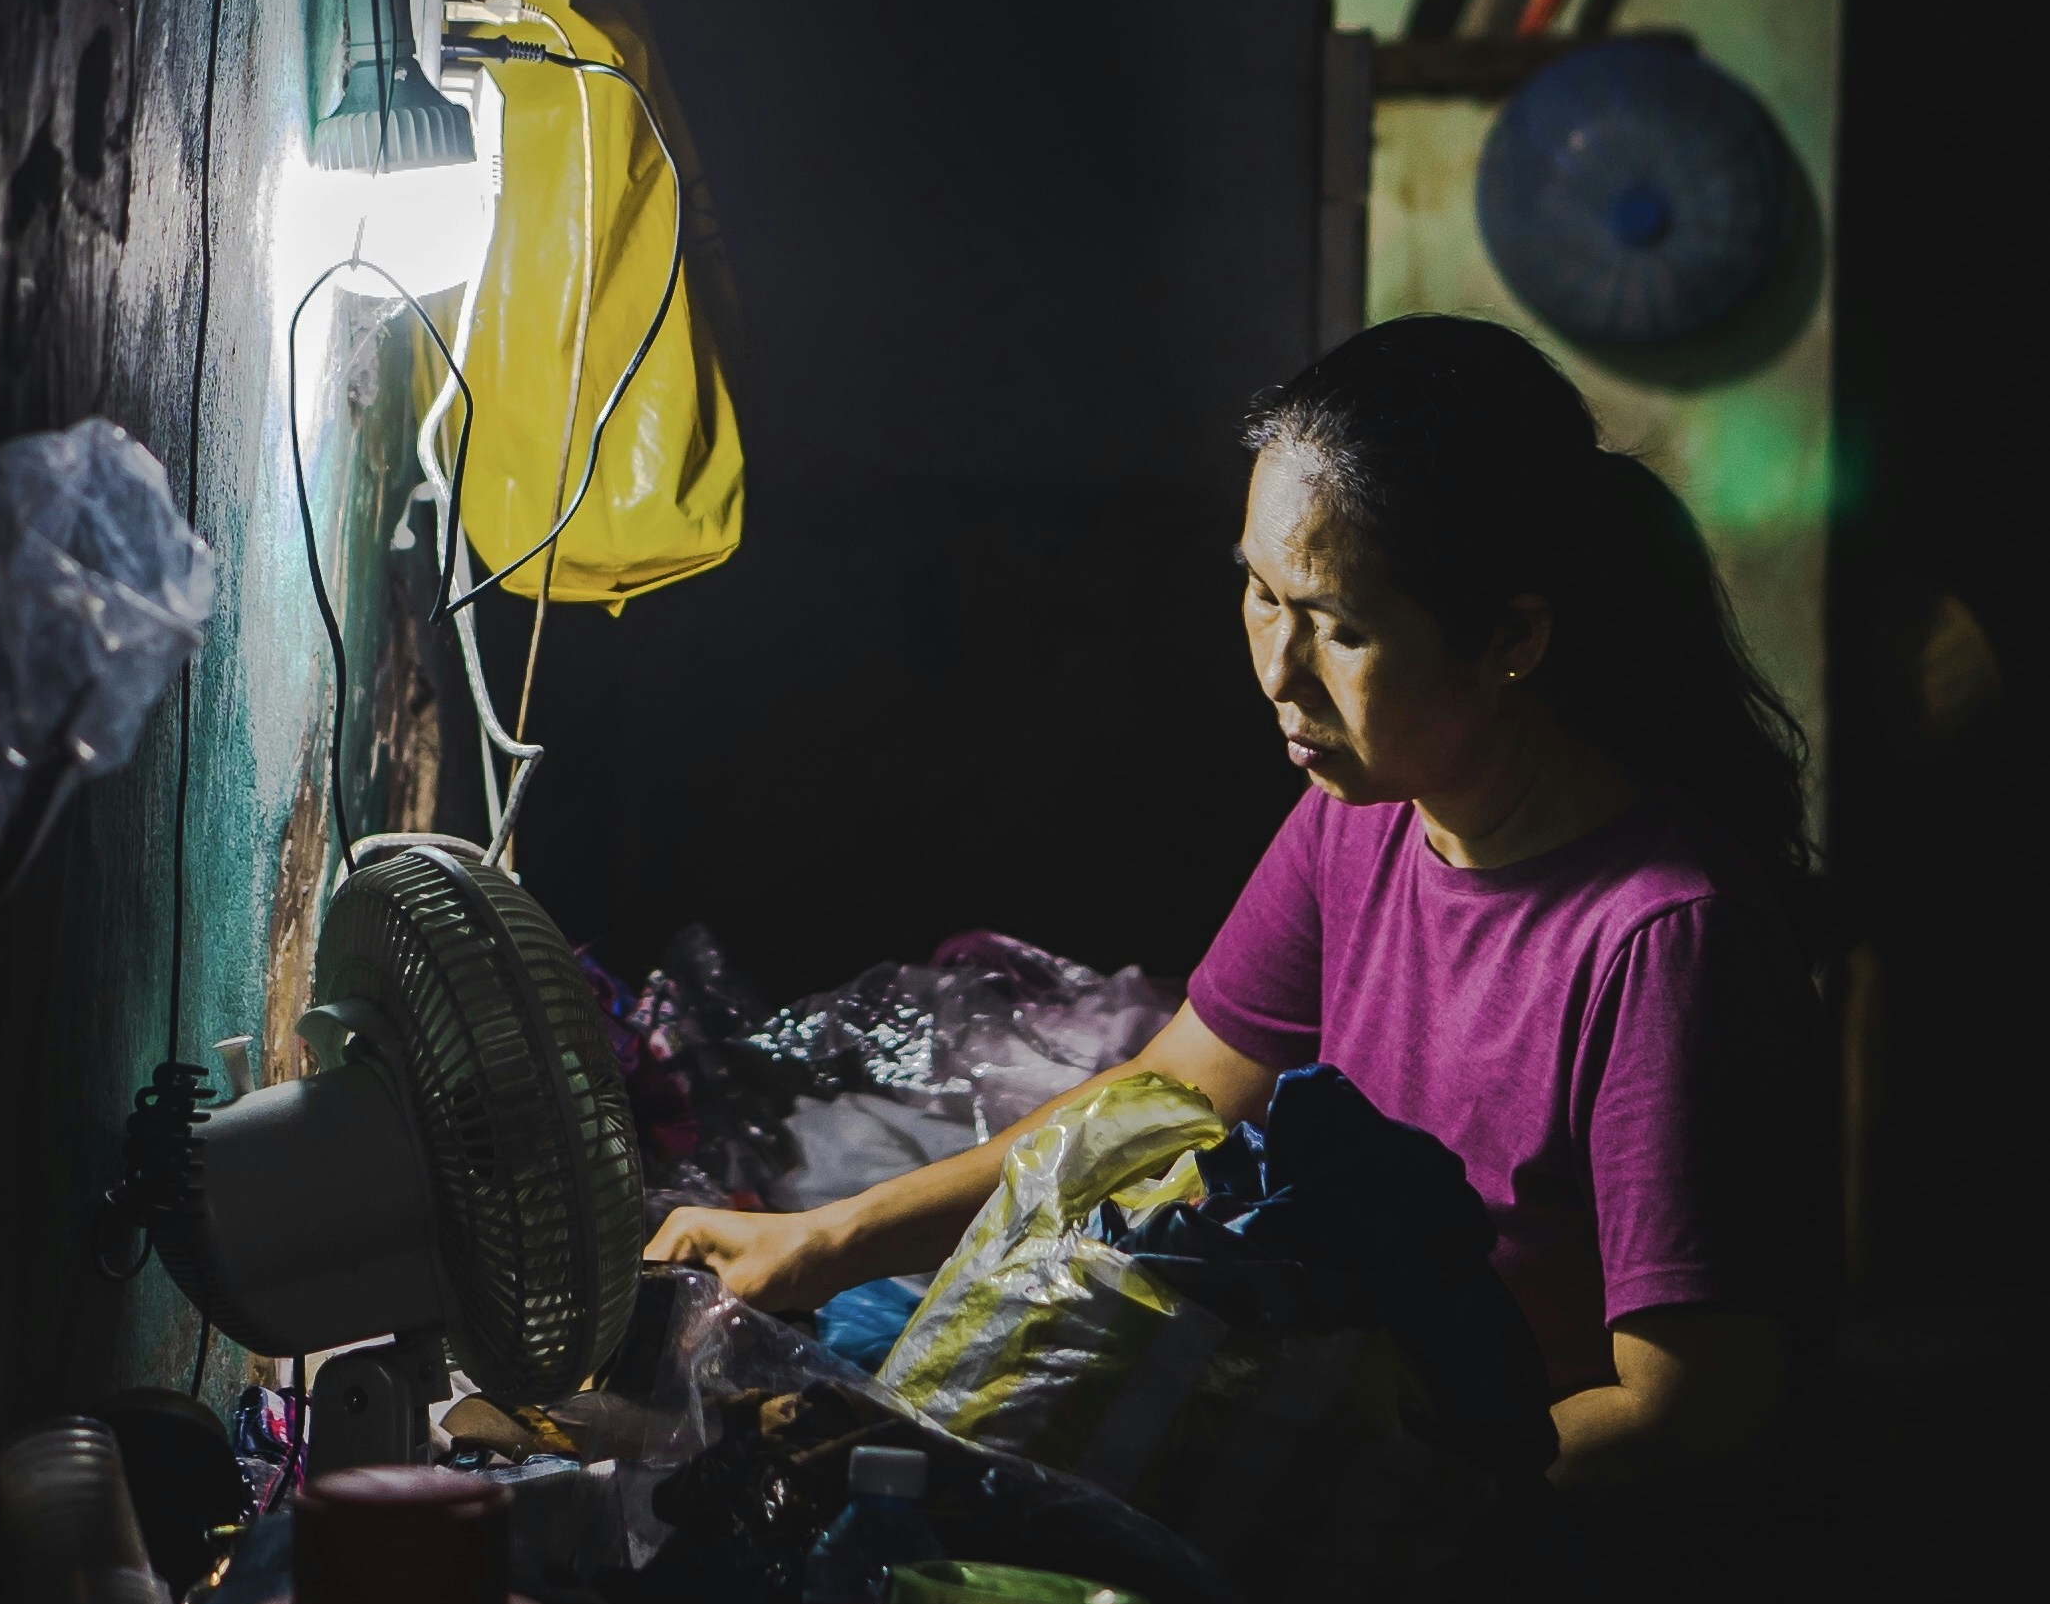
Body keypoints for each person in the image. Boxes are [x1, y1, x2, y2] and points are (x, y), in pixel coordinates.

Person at [648, 315, 1823, 1494]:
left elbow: (1685, 1410)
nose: (1277, 668)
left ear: (1511, 635)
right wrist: (823, 1240)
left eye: (1342, 626)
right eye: (1261, 594)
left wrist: (1361, 1511)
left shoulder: (1665, 941)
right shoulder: (1359, 815)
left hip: (1515, 1561)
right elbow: (1156, 1106)